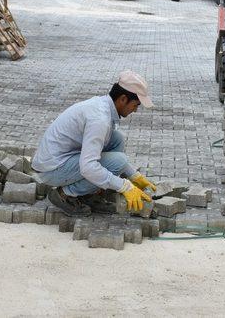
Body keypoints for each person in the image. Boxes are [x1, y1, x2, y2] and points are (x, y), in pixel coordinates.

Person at [32, 70, 156, 217]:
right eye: (135, 105)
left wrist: (134, 176)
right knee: (118, 161)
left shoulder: (103, 106)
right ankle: (65, 195)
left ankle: (88, 194)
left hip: (61, 160)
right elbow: (88, 167)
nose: (135, 110)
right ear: (123, 99)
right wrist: (125, 186)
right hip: (52, 169)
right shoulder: (100, 119)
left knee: (116, 139)